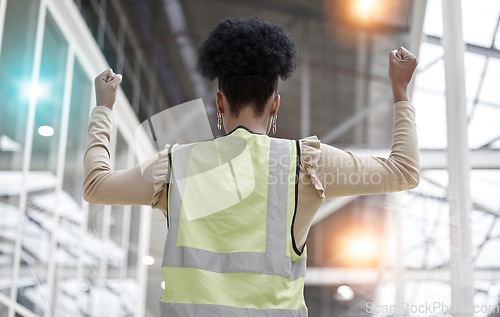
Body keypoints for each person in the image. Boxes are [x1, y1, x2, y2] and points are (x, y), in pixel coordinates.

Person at [83, 16, 419, 317]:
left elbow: (96, 186)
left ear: (219, 102)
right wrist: (400, 90)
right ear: (275, 105)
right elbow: (404, 171)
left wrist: (105, 109)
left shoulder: (175, 165)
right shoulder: (307, 164)